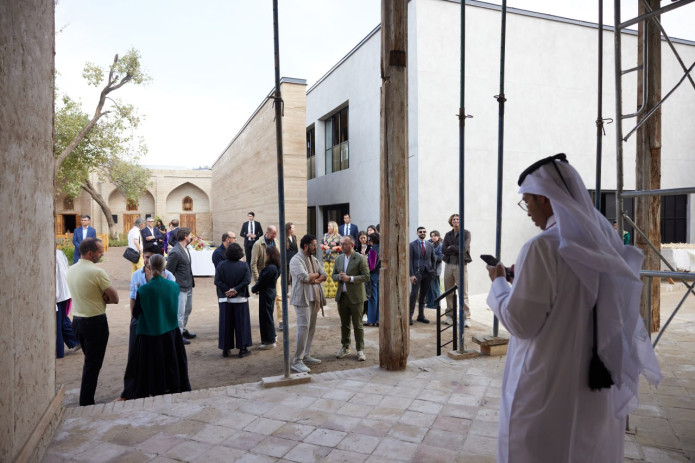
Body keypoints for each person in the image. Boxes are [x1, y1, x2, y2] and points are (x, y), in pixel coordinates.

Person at [486, 154, 661, 462]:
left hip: (548, 384)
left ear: (543, 197)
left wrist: (500, 282)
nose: (527, 211)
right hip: (595, 385)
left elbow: (520, 322)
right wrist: (523, 276)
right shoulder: (604, 240)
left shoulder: (540, 247)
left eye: (527, 202)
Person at [120, 254, 190, 400]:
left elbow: (136, 313)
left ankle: (153, 388)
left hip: (150, 333)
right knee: (171, 361)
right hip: (171, 331)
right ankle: (174, 386)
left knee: (153, 364)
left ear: (149, 267)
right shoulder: (174, 286)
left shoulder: (144, 290)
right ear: (164, 267)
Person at [66, 238, 119, 406]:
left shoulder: (71, 269)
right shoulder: (97, 272)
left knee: (90, 361)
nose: (102, 253)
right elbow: (115, 298)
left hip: (77, 321)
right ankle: (86, 402)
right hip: (95, 322)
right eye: (99, 251)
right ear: (90, 253)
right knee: (92, 365)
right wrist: (103, 298)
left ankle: (86, 399)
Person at [289, 234, 327, 373]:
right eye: (313, 245)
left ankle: (305, 355)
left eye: (316, 245)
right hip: (301, 299)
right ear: (305, 246)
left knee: (311, 328)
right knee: (303, 328)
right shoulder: (295, 260)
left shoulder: (313, 259)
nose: (315, 247)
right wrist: (315, 276)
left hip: (314, 298)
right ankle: (297, 361)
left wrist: (313, 277)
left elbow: (324, 275)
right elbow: (304, 277)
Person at [332, 236, 370, 361]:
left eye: (344, 244)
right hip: (342, 297)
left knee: (358, 325)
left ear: (352, 245)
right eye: (341, 244)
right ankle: (345, 347)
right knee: (344, 324)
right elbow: (333, 275)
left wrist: (351, 279)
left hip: (356, 297)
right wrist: (339, 277)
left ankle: (360, 349)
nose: (342, 246)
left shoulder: (360, 258)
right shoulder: (338, 259)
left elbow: (366, 276)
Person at [214, 243, 252, 358]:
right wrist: (235, 290)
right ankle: (242, 348)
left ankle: (226, 349)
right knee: (242, 324)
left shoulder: (221, 265)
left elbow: (217, 281)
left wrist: (228, 290)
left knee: (225, 324)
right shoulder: (244, 265)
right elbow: (247, 280)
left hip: (225, 299)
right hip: (240, 298)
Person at [166, 228, 196, 345]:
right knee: (180, 312)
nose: (191, 237)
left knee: (188, 309)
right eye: (190, 235)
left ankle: (182, 330)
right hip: (180, 287)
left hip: (188, 285)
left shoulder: (185, 248)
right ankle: (178, 335)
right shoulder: (175, 252)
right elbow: (169, 271)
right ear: (185, 237)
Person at [251, 225, 283, 329]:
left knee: (278, 297)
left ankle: (281, 320)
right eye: (272, 235)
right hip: (263, 275)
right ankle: (268, 320)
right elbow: (253, 263)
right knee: (265, 299)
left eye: (275, 235)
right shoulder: (258, 244)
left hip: (275, 274)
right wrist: (257, 279)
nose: (274, 237)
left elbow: (279, 258)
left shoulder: (276, 241)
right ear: (267, 233)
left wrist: (278, 273)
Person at [442, 214, 472, 326]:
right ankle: (450, 316)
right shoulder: (447, 234)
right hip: (449, 265)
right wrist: (454, 248)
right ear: (451, 221)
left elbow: (463, 249)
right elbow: (444, 249)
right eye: (454, 219)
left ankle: (466, 318)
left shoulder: (466, 233)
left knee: (463, 292)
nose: (456, 220)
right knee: (448, 291)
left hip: (461, 265)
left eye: (458, 219)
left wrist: (452, 247)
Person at [251, 246, 280, 349]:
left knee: (265, 316)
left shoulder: (270, 268)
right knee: (268, 315)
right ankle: (272, 336)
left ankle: (269, 341)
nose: (265, 255)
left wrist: (254, 289)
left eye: (267, 254)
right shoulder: (275, 266)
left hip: (267, 293)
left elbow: (262, 282)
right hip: (270, 292)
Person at [409, 227, 436, 325]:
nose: (422, 233)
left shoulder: (430, 245)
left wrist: (433, 270)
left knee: (423, 295)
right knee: (414, 295)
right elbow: (410, 260)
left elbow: (434, 259)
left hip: (428, 273)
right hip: (416, 274)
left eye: (424, 232)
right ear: (417, 233)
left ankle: (421, 315)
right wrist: (411, 274)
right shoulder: (412, 245)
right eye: (420, 232)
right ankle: (409, 316)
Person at [56, 248, 79, 358]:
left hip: (58, 294)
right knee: (62, 320)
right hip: (64, 292)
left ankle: (58, 352)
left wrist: (54, 297)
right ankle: (75, 341)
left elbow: (55, 277)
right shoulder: (60, 253)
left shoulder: (51, 255)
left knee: (57, 323)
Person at [321, 221, 341, 298]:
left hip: (334, 258)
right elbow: (321, 244)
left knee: (333, 274)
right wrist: (324, 246)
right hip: (325, 257)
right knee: (326, 275)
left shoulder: (338, 236)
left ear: (334, 227)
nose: (328, 228)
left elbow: (341, 247)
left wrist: (336, 248)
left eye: (330, 226)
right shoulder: (325, 235)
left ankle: (334, 293)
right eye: (328, 226)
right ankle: (327, 293)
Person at [426, 230, 444, 309]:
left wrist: (431, 256)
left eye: (435, 236)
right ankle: (430, 304)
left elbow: (440, 257)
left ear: (438, 236)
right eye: (432, 236)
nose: (433, 237)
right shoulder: (429, 243)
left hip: (435, 270)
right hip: (428, 270)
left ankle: (437, 305)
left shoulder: (440, 245)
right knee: (429, 288)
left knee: (435, 288)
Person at [366, 233, 380, 326]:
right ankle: (379, 319)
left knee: (372, 298)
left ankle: (371, 320)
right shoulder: (383, 248)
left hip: (373, 275)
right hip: (381, 275)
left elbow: (371, 266)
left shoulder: (373, 250)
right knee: (380, 298)